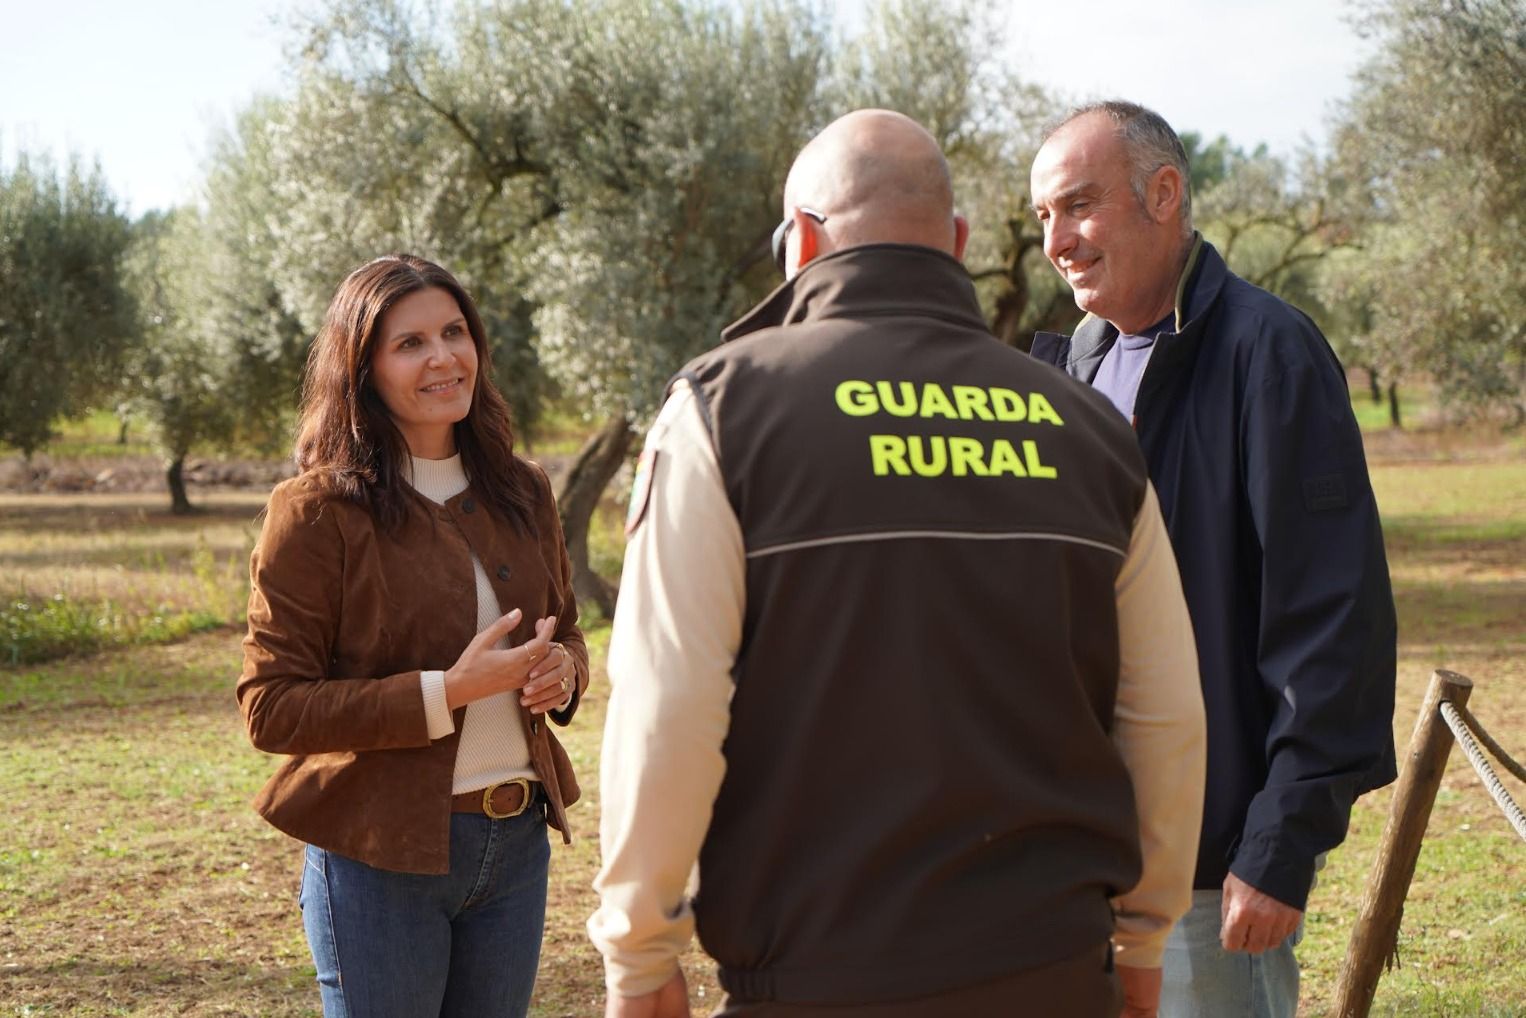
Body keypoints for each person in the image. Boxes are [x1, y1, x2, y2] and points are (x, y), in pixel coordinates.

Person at [589, 108, 1207, 1018]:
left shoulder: (723, 412)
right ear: (955, 242)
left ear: (799, 239)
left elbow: (667, 706)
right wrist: (1145, 938)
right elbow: (1164, 716)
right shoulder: (1090, 431)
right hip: (1058, 976)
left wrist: (640, 953)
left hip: (818, 980)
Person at [1028, 101, 1397, 1018]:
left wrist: (1278, 845)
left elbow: (1333, 615)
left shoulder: (1269, 355)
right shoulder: (1072, 367)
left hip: (1204, 864)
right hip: (1076, 858)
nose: (1057, 242)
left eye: (1078, 206)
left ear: (1163, 194)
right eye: (1042, 218)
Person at [237, 254, 588, 1018]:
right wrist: (447, 693)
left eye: (454, 332)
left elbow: (570, 634)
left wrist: (563, 670)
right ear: (362, 370)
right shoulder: (315, 513)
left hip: (516, 845)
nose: (443, 357)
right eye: (410, 343)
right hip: (378, 856)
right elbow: (271, 708)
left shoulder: (524, 491)